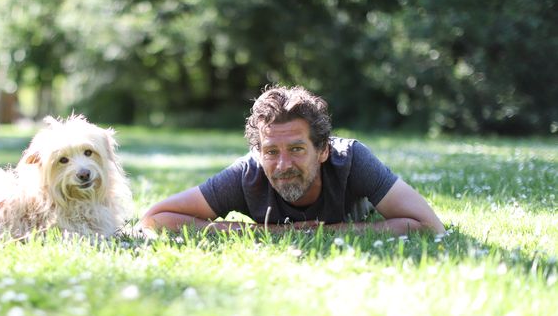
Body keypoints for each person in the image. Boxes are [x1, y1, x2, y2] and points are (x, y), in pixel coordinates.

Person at [138, 85, 445, 236]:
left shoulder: (351, 159)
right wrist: (265, 234)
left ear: (323, 149)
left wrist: (327, 231)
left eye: (297, 149)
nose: (283, 165)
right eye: (271, 151)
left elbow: (430, 226)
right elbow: (156, 218)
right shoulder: (248, 173)